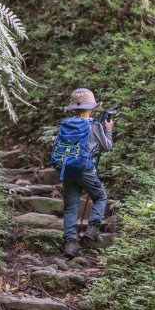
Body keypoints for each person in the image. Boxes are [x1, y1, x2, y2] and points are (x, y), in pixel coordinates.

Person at [58, 88, 113, 259]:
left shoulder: (66, 123)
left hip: (67, 169)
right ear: (91, 107)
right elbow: (107, 147)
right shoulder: (94, 125)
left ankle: (70, 245)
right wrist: (108, 129)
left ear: (73, 108)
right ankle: (93, 229)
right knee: (101, 197)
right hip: (85, 169)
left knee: (71, 207)